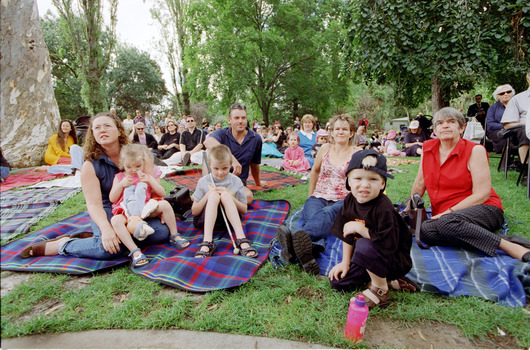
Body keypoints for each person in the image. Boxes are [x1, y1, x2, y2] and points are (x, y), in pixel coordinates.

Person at [20, 112, 189, 261]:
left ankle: (110, 237)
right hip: (109, 208)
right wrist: (106, 229)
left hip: (139, 204)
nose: (102, 130)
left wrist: (157, 206)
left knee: (160, 233)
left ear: (118, 130)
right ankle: (64, 245)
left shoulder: (138, 153)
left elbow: (153, 185)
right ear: (92, 134)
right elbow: (94, 205)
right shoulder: (90, 165)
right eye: (97, 128)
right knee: (107, 249)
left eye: (107, 126)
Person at [410, 107, 529, 262]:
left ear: (462, 128)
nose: (445, 126)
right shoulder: (428, 148)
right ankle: (487, 236)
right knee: (425, 230)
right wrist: (409, 207)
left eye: (451, 122)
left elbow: (482, 194)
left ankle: (510, 246)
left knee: (446, 223)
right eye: (440, 123)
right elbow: (420, 182)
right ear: (435, 129)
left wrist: (449, 212)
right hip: (448, 216)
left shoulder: (475, 150)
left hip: (483, 207)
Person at [328, 150, 413, 308]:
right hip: (369, 258)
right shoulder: (349, 201)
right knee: (339, 282)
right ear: (349, 181)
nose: (365, 184)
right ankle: (389, 281)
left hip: (393, 259)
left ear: (382, 184)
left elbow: (388, 245)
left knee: (364, 244)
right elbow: (347, 234)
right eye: (358, 178)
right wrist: (345, 263)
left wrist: (361, 229)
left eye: (373, 179)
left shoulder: (384, 208)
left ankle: (380, 290)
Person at [275, 114, 356, 275]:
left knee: (326, 214)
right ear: (331, 132)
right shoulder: (325, 148)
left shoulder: (357, 153)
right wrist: (311, 196)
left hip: (344, 199)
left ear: (351, 133)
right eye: (337, 129)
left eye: (345, 129)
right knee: (313, 216)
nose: (340, 132)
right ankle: (309, 249)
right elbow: (315, 172)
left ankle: (291, 247)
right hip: (319, 195)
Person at [109, 144, 178, 266]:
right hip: (126, 211)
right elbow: (112, 198)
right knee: (115, 221)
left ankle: (175, 235)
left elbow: (161, 193)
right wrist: (121, 185)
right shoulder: (120, 177)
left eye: (138, 166)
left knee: (165, 204)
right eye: (129, 167)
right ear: (122, 164)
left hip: (144, 208)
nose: (134, 170)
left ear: (143, 163)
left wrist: (150, 180)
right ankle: (135, 251)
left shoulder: (145, 176)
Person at [191, 145, 258, 258]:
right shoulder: (203, 181)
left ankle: (241, 238)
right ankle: (208, 241)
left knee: (226, 195)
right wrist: (208, 194)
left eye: (225, 168)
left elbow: (244, 210)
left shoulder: (236, 181)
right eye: (216, 168)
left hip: (229, 221)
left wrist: (230, 196)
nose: (220, 172)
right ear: (209, 164)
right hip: (205, 220)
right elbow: (194, 211)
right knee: (213, 195)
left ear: (231, 164)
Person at [204, 104, 263, 204]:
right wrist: (232, 160)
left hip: (236, 181)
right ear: (229, 120)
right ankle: (208, 187)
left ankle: (218, 199)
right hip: (216, 177)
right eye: (236, 118)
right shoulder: (222, 133)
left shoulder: (255, 138)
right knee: (208, 151)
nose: (240, 121)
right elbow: (207, 142)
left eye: (243, 118)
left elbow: (254, 164)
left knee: (248, 197)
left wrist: (258, 183)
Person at [501, 70, 529, 165]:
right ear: (528, 79)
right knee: (525, 131)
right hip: (523, 132)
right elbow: (507, 125)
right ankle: (526, 170)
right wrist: (527, 124)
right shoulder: (518, 99)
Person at [486, 85, 514, 153]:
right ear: (497, 96)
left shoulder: (517, 106)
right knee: (507, 136)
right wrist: (505, 126)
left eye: (508, 92)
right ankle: (505, 161)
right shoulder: (493, 108)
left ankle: (522, 161)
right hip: (497, 130)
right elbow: (490, 124)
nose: (506, 94)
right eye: (502, 93)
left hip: (515, 129)